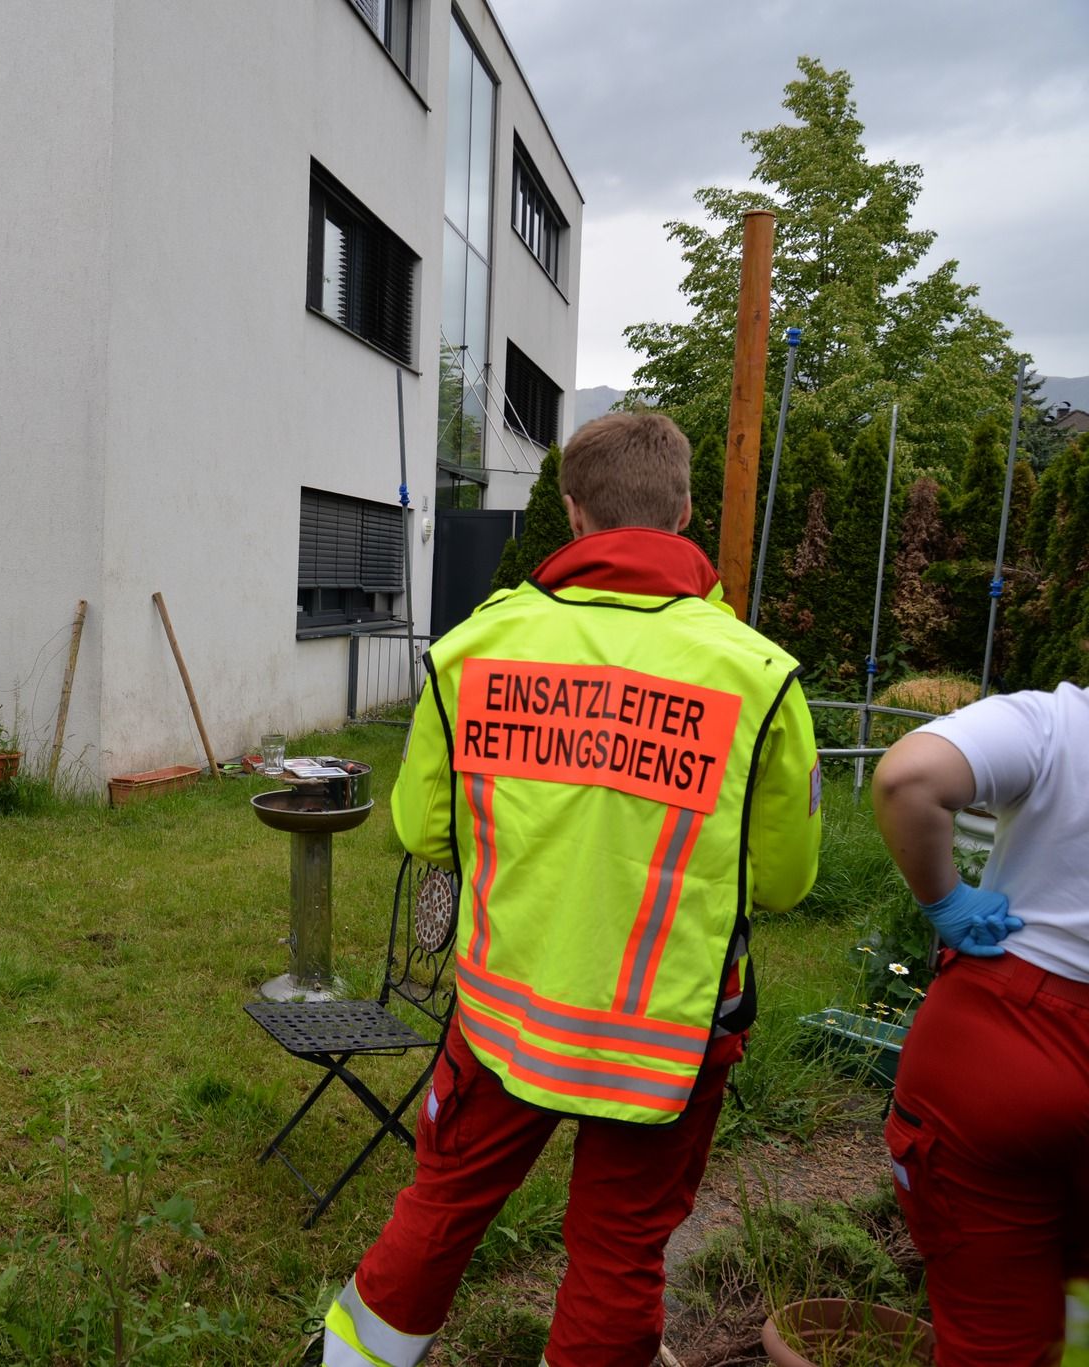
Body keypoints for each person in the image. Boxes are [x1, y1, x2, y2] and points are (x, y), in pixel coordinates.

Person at [318, 413, 823, 1367]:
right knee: (618, 1251)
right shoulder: (758, 676)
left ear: (572, 508)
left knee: (442, 1202)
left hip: (505, 1006)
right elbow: (789, 880)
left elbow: (422, 829)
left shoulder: (475, 650)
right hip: (664, 1035)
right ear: (682, 510)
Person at [872, 685, 1086, 1366]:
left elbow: (909, 777)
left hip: (1007, 1046)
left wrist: (948, 899)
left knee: (995, 1338)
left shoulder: (1058, 723)